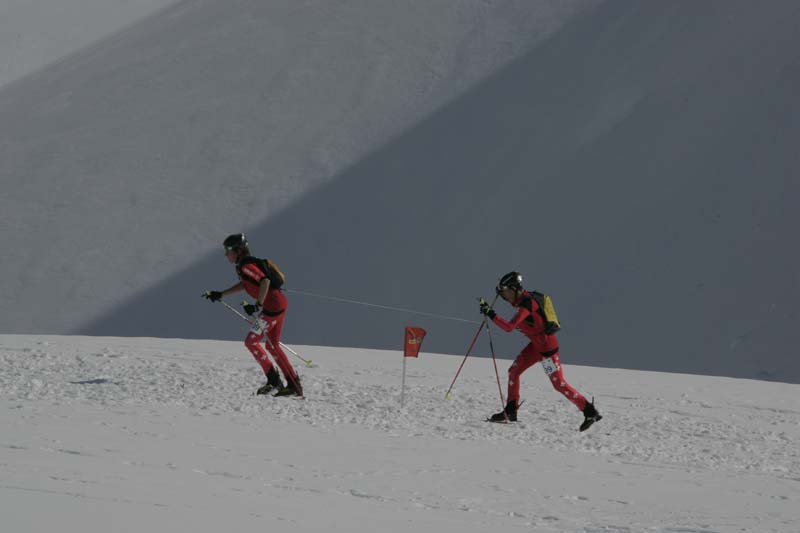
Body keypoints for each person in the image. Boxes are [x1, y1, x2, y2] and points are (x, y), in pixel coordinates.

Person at [479, 271, 601, 431]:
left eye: (506, 292)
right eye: (502, 293)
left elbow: (509, 327)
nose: (505, 296)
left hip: (547, 352)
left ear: (515, 289)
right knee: (513, 372)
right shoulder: (522, 301)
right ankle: (510, 411)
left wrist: (491, 314)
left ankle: (590, 412)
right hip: (536, 347)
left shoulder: (527, 304)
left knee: (559, 384)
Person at [203, 233, 303, 397]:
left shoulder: (246, 266)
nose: (226, 254)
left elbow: (265, 281)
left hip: (272, 309)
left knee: (251, 341)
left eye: (228, 250)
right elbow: (245, 284)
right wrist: (221, 294)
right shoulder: (244, 265)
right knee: (272, 346)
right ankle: (293, 385)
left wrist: (257, 304)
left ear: (238, 250)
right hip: (277, 305)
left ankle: (275, 382)